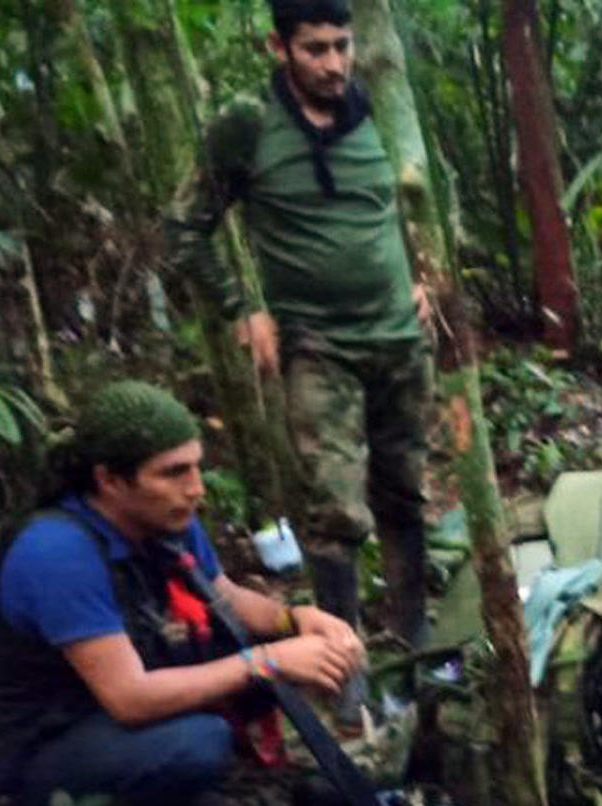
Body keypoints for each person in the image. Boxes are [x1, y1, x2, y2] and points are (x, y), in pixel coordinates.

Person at [0, 382, 365, 806]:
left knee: (245, 652)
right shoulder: (57, 553)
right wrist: (268, 662)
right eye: (174, 473)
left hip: (121, 685)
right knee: (198, 743)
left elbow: (223, 597)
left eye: (196, 467)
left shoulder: (165, 518)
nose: (195, 487)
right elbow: (128, 698)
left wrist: (295, 620)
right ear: (110, 480)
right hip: (48, 738)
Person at [165, 0, 434, 721]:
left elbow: (417, 198)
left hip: (399, 339)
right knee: (333, 512)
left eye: (342, 46)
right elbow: (185, 226)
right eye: (315, 49)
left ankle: (417, 644)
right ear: (277, 46)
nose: (334, 63)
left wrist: (423, 271)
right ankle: (343, 670)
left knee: (406, 492)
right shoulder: (247, 124)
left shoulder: (379, 103)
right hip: (316, 344)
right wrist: (241, 311)